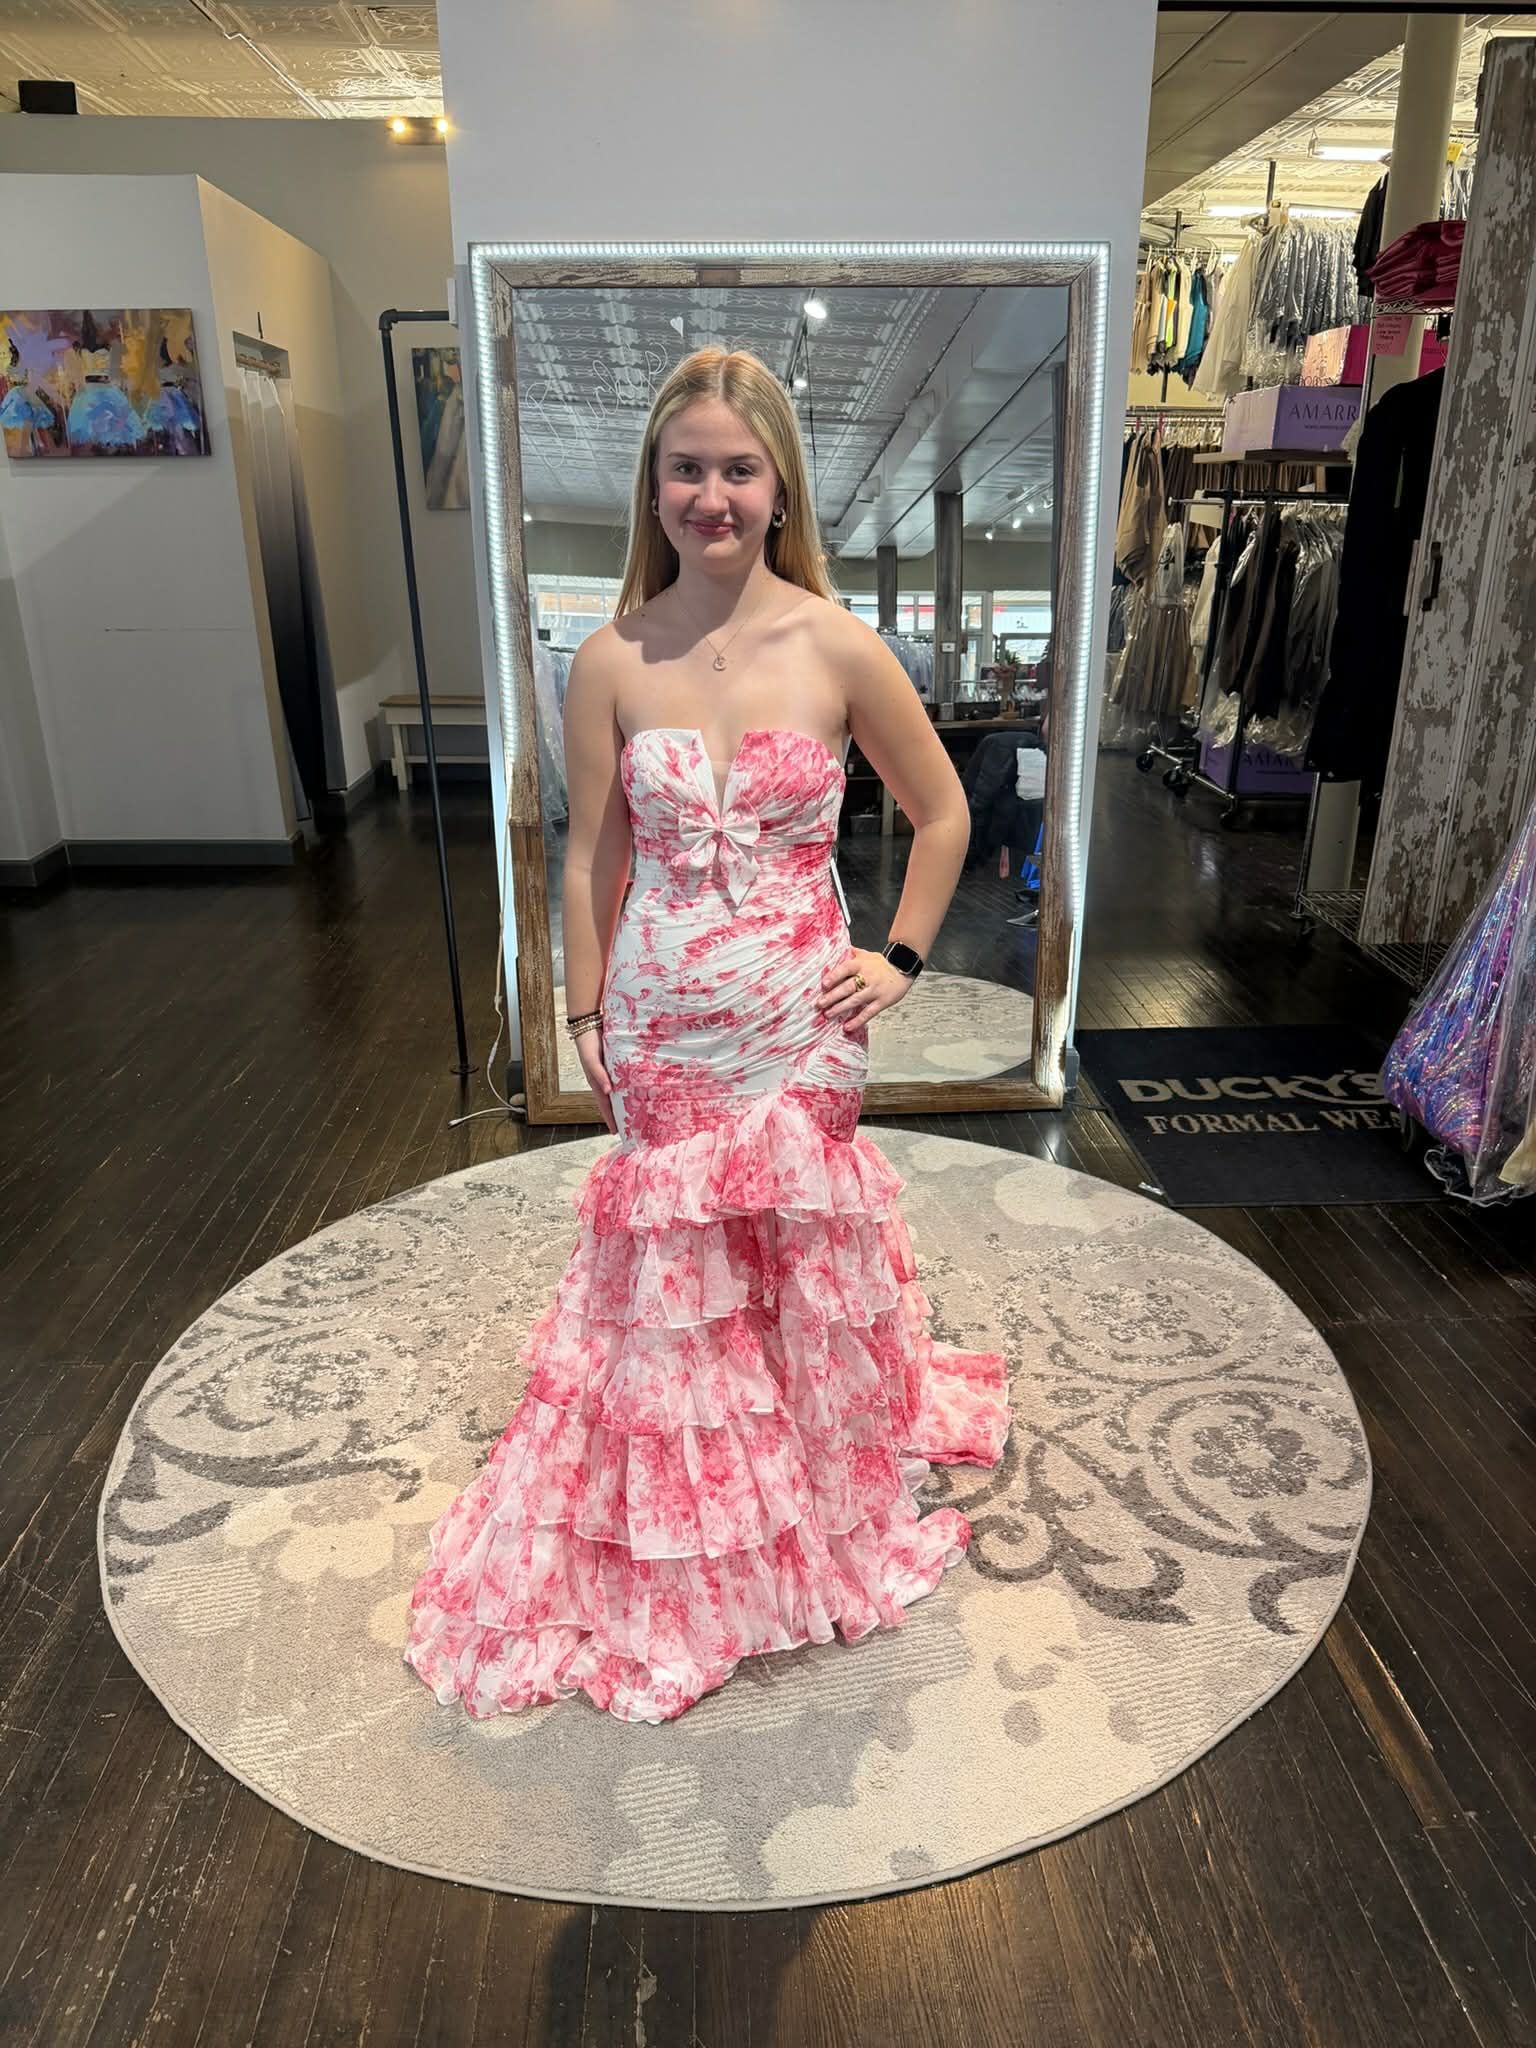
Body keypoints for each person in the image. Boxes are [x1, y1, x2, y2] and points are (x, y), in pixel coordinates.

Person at [403, 347, 1013, 1724]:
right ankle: (695, 1542)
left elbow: (944, 813)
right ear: (654, 487)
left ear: (780, 482)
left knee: (796, 1263)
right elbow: (587, 856)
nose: (712, 495)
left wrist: (900, 957)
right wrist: (577, 1007)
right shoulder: (610, 658)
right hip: (668, 1019)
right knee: (675, 1294)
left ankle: (805, 1497)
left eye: (740, 468)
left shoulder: (841, 644)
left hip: (804, 1016)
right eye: (688, 468)